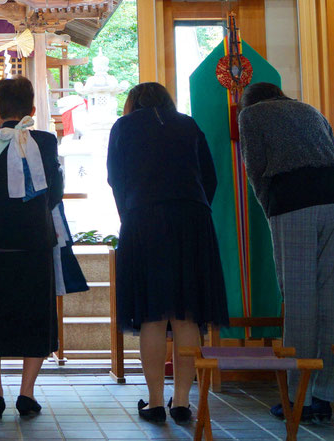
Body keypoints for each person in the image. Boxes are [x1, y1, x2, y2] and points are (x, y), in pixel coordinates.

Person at [107, 82, 228, 425]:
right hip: (192, 218)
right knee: (188, 313)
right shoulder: (187, 124)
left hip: (144, 217)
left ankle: (156, 401)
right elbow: (210, 178)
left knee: (152, 313)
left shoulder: (124, 126)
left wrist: (128, 216)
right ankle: (182, 402)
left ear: (133, 103)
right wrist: (195, 210)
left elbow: (116, 178)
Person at [238, 82, 334, 423]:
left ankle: (297, 398)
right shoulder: (311, 110)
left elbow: (255, 168)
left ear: (250, 101)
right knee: (332, 299)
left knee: (301, 300)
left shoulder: (251, 115)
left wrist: (268, 206)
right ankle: (324, 397)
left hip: (293, 203)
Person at [0, 76, 63, 418]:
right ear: (32, 110)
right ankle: (27, 394)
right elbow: (55, 193)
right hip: (34, 243)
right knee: (36, 316)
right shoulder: (46, 142)